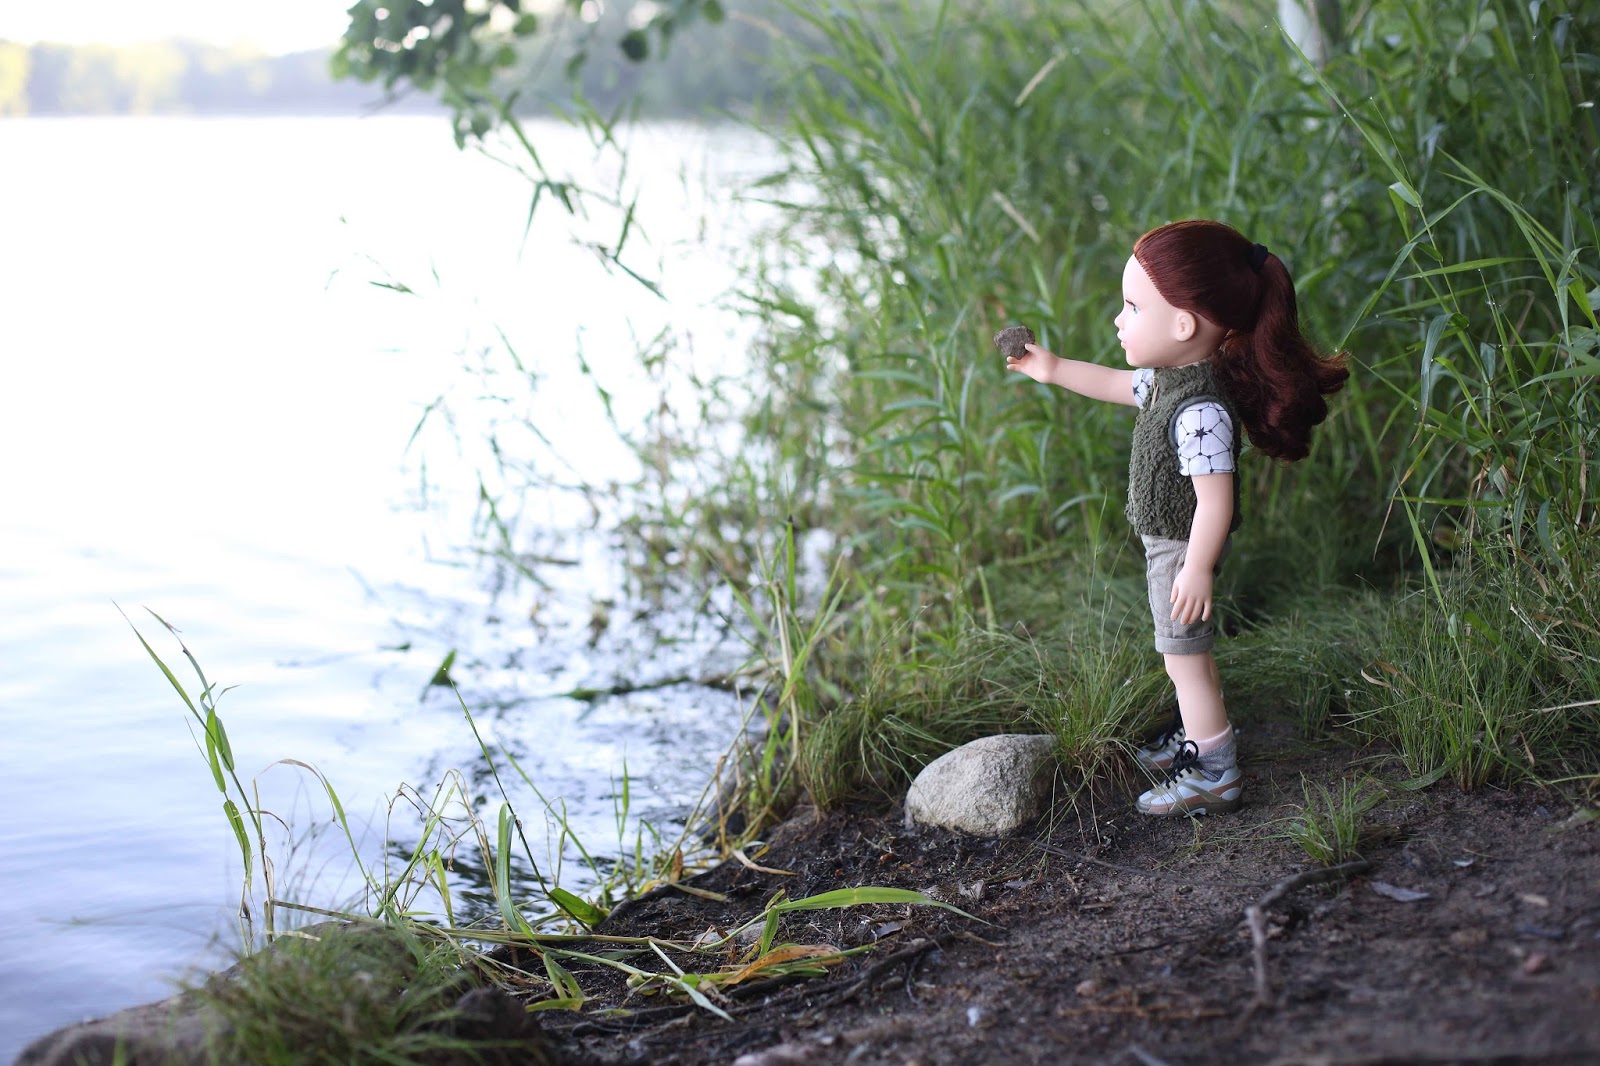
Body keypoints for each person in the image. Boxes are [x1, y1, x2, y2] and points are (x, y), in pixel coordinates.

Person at [1004, 219, 1348, 815]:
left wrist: (1197, 567)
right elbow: (1113, 382)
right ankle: (1199, 737)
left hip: (1182, 549)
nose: (1118, 320)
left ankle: (1214, 771)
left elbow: (1216, 501)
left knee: (1182, 656)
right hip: (1172, 545)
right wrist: (1052, 368)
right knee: (1187, 652)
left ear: (1184, 325)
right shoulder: (1168, 383)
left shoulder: (1199, 410)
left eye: (1133, 307)